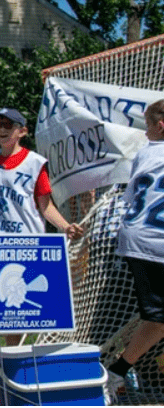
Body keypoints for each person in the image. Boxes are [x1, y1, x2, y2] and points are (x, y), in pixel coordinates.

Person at [0, 107, 84, 347]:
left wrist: (65, 226)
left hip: (29, 245)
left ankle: (34, 364)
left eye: (9, 125)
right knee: (7, 316)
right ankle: (12, 367)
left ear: (22, 131)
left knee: (33, 312)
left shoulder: (35, 163)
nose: (2, 129)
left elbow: (45, 206)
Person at [104, 99, 164, 400]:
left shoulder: (146, 154)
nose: (146, 133)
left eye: (148, 126)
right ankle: (118, 372)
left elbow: (132, 197)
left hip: (136, 239)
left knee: (157, 320)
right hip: (156, 241)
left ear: (160, 126)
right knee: (157, 319)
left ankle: (118, 370)